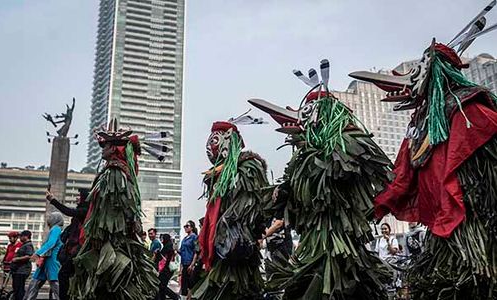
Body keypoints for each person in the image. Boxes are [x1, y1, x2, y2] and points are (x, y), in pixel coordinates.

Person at [350, 18, 497, 298]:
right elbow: (401, 179)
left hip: (475, 225)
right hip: (440, 228)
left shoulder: (470, 110)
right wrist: (371, 208)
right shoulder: (419, 125)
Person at [248, 59, 393, 299]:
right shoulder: (302, 161)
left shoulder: (348, 145)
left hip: (341, 245)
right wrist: (281, 195)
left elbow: (376, 183)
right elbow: (294, 205)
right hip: (314, 244)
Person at [69, 120, 159, 299]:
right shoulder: (119, 172)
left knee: (107, 285)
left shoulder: (114, 172)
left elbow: (112, 208)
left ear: (114, 149)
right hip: (115, 242)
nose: (102, 149)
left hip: (110, 242)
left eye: (106, 145)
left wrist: (100, 236)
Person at [193, 120, 268, 300]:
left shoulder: (247, 168)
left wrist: (229, 230)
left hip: (236, 250)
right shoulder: (220, 173)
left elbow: (253, 207)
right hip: (221, 251)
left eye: (215, 141)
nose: (211, 148)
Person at [46, 188, 89, 300]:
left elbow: (68, 212)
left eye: (79, 195)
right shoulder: (80, 213)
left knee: (63, 274)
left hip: (79, 250)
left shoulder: (84, 211)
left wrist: (53, 200)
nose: (77, 198)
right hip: (71, 250)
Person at [25, 212, 63, 300]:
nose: (48, 219)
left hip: (52, 260)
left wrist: (38, 253)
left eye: (51, 217)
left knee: (55, 286)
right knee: (33, 284)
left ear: (55, 219)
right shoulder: (53, 229)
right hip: (45, 260)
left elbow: (51, 243)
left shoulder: (56, 229)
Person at [10, 230, 34, 300]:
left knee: (19, 288)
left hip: (22, 270)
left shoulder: (28, 245)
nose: (19, 238)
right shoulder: (24, 245)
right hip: (18, 270)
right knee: (16, 288)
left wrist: (16, 259)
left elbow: (28, 256)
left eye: (21, 236)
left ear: (26, 236)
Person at [156, 234, 179, 300]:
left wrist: (158, 253)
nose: (162, 241)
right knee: (162, 285)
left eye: (162, 239)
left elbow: (162, 258)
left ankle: (175, 297)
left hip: (166, 269)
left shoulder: (167, 247)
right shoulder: (169, 246)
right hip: (167, 269)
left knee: (162, 286)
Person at [179, 221, 198, 300]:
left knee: (190, 284)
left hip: (190, 263)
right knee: (184, 284)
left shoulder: (194, 237)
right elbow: (181, 252)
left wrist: (192, 264)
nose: (185, 228)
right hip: (184, 263)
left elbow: (196, 251)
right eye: (184, 226)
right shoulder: (184, 239)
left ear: (192, 227)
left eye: (187, 226)